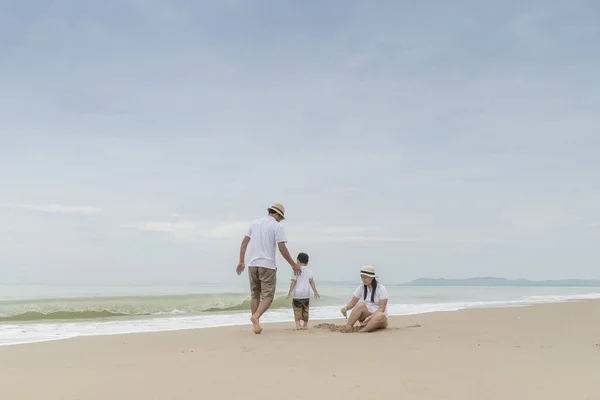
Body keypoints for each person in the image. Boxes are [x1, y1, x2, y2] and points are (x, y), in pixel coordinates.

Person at [236, 203, 301, 334]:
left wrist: (241, 261)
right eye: (280, 217)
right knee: (268, 296)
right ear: (277, 214)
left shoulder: (254, 223)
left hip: (252, 264)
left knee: (255, 294)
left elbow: (244, 243)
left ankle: (256, 324)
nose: (280, 220)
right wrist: (293, 264)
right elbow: (282, 247)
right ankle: (256, 317)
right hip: (267, 265)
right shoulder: (277, 226)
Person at [340, 265, 389, 333]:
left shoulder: (381, 289)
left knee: (380, 315)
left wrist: (370, 317)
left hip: (378, 319)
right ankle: (348, 328)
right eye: (362, 277)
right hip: (366, 317)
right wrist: (345, 308)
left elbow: (381, 308)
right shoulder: (361, 287)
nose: (363, 280)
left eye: (365, 278)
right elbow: (353, 302)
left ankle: (362, 331)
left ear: (372, 278)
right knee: (360, 305)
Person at [287, 252, 320, 330]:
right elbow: (311, 282)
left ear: (298, 261)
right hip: (306, 294)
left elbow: (293, 282)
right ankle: (305, 325)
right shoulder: (309, 271)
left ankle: (298, 325)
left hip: (297, 295)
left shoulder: (295, 270)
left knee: (297, 310)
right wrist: (315, 291)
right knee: (305, 310)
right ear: (307, 263)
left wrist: (290, 292)